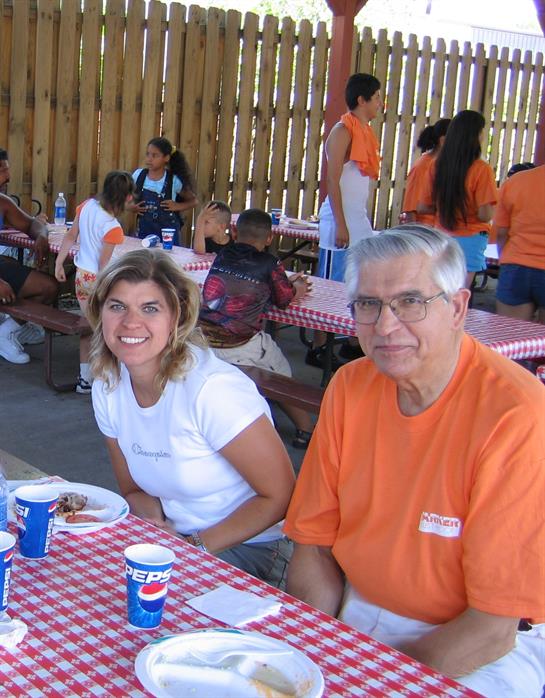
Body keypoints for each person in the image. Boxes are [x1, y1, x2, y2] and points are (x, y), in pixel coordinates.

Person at [284, 226, 545, 698]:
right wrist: (308, 651)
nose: (386, 326)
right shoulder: (350, 386)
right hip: (358, 607)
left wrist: (383, 685)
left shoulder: (516, 413)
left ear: (459, 309)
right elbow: (314, 548)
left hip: (480, 647)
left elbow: (493, 627)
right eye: (369, 304)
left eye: (411, 301)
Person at [89, 248, 295, 587]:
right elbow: (132, 490)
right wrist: (156, 525)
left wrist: (191, 548)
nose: (130, 323)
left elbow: (281, 496)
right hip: (176, 539)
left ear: (178, 317)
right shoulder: (108, 386)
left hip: (252, 547)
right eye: (117, 306)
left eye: (150, 308)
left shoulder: (212, 390)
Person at [199, 208, 314, 449]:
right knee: (281, 374)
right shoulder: (269, 263)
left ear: (233, 231)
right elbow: (284, 300)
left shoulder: (224, 254)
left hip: (201, 338)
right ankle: (306, 429)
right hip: (237, 343)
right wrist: (298, 288)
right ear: (270, 238)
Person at [307, 72, 383, 369]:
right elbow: (332, 180)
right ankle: (318, 347)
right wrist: (341, 223)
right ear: (361, 99)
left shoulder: (365, 132)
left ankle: (352, 342)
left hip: (357, 221)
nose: (380, 103)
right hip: (340, 222)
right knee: (331, 286)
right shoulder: (342, 131)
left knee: (359, 283)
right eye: (376, 97)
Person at [55, 170, 134, 394]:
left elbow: (71, 236)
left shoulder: (87, 206)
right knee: (107, 332)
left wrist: (59, 263)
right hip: (99, 281)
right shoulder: (113, 227)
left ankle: (85, 379)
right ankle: (110, 381)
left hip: (81, 277)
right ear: (127, 198)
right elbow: (104, 264)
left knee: (90, 327)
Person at [418, 109, 498, 288]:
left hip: (441, 235)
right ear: (475, 135)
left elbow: (423, 206)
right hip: (471, 238)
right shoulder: (481, 169)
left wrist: (445, 207)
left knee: (440, 291)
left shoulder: (436, 165)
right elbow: (485, 214)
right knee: (458, 295)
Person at [0, 192, 58, 364]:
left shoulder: (3, 202)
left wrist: (41, 235)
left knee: (48, 287)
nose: (7, 177)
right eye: (2, 171)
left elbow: (32, 223)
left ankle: (6, 333)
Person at [494, 162, 545, 323]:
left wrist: (505, 259)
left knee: (510, 336)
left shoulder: (517, 181)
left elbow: (501, 233)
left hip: (515, 266)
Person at [128, 137, 198, 247]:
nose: (149, 159)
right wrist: (131, 207)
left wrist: (177, 206)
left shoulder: (173, 180)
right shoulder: (138, 175)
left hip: (168, 236)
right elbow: (125, 198)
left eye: (155, 155)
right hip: (145, 232)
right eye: (148, 154)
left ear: (166, 158)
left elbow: (193, 201)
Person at [400, 118, 450, 225]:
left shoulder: (444, 165)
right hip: (425, 231)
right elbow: (410, 208)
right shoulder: (423, 166)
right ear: (443, 141)